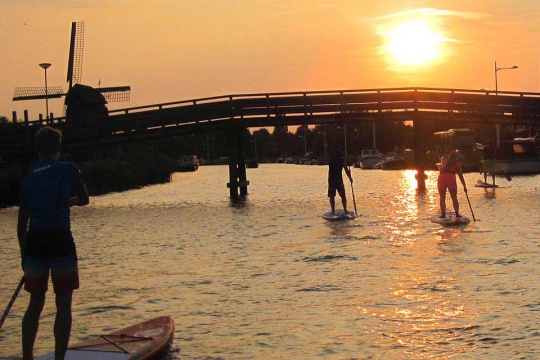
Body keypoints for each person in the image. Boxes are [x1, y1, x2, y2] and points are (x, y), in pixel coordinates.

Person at [17, 126, 89, 359]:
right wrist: (70, 202)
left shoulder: (28, 178)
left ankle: (27, 356)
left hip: (34, 242)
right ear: (59, 148)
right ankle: (59, 357)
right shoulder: (69, 169)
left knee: (35, 303)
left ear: (37, 149)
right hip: (60, 238)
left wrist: (23, 256)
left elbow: (21, 223)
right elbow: (85, 199)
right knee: (63, 303)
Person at [437, 149, 467, 218]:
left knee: (442, 197)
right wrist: (464, 187)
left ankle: (443, 214)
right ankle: (457, 214)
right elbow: (460, 176)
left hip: (442, 177)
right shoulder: (457, 164)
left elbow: (440, 167)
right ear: (456, 156)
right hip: (451, 178)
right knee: (454, 197)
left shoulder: (444, 160)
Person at [327, 149, 353, 214]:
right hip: (337, 181)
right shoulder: (341, 161)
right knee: (342, 196)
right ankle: (344, 210)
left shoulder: (331, 160)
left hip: (332, 180)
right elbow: (346, 170)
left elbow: (346, 170)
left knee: (332, 196)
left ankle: (333, 211)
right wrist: (350, 178)